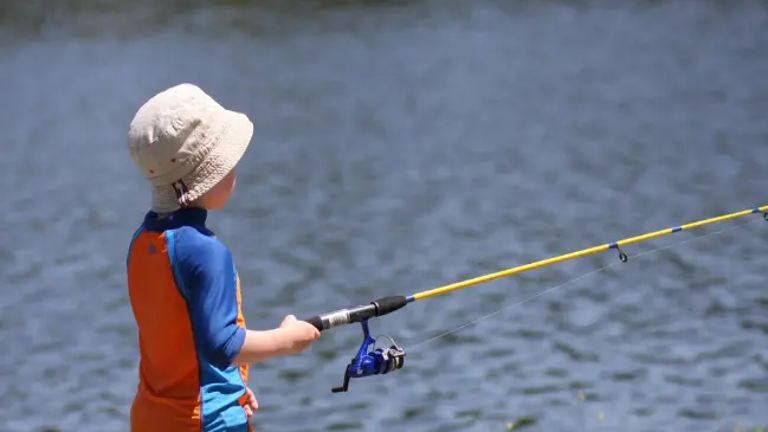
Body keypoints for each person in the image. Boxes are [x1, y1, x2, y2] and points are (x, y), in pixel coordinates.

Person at [124, 83, 321, 432]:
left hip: (151, 418)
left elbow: (180, 338)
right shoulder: (205, 251)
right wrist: (288, 340)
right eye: (226, 165)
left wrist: (230, 383)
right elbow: (223, 344)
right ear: (203, 177)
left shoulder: (143, 242)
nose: (233, 174)